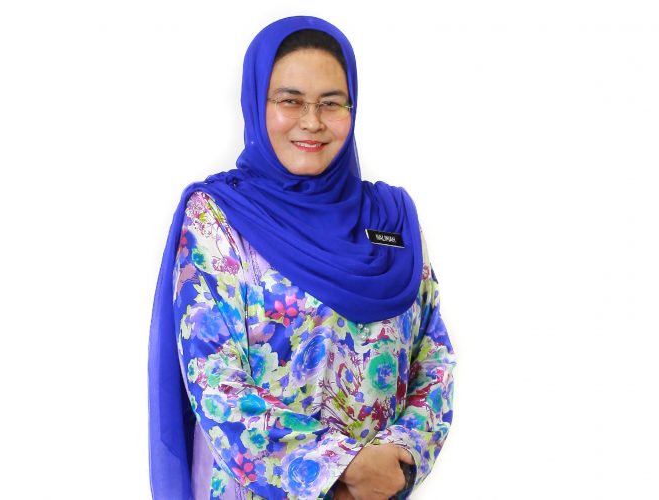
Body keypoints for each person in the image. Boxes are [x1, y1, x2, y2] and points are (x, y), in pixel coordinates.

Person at [148, 16, 456, 500]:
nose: (312, 122)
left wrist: (399, 458)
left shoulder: (393, 218)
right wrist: (342, 469)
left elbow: (432, 357)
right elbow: (215, 382)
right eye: (290, 101)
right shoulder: (218, 217)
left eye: (331, 103)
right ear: (257, 104)